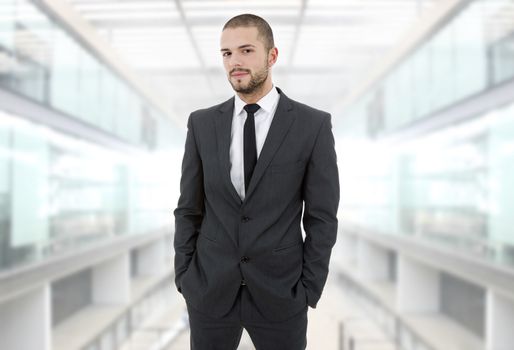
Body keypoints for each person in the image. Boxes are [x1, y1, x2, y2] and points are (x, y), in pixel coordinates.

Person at [174, 13, 340, 350]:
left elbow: (322, 217)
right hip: (209, 291)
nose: (234, 62)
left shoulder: (312, 126)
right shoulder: (202, 125)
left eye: (246, 50)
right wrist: (185, 276)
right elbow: (189, 208)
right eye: (226, 53)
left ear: (272, 56)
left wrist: (308, 288)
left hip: (282, 294)